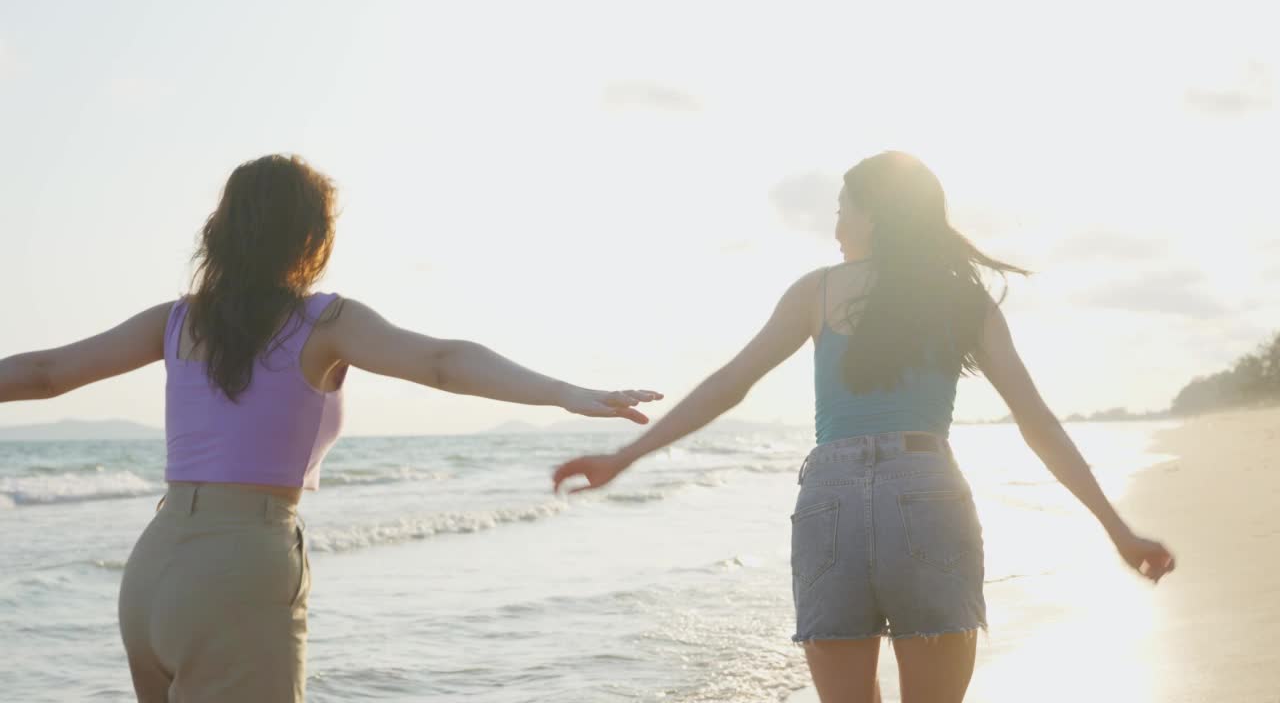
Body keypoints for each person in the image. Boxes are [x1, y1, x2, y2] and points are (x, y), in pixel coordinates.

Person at [0, 154, 661, 703]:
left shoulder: (176, 321)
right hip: (241, 567)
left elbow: (45, 372)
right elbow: (440, 361)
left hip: (152, 567)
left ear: (222, 231)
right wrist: (566, 393)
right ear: (310, 237)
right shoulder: (326, 322)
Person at [552, 151, 1175, 702]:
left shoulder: (817, 292)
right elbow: (1036, 422)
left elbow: (729, 384)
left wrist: (627, 455)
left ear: (873, 213)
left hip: (831, 501)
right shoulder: (962, 298)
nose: (836, 224)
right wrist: (1116, 530)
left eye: (842, 207)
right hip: (928, 493)